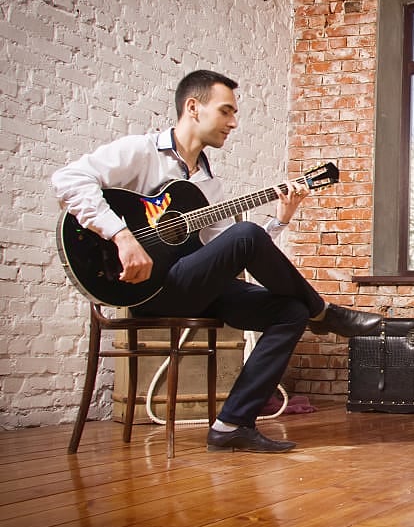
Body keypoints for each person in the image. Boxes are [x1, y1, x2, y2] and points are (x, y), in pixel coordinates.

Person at [52, 70, 383, 453]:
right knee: (247, 236)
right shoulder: (141, 151)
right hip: (146, 289)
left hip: (192, 285)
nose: (233, 122)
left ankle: (232, 424)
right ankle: (324, 312)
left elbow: (233, 250)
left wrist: (281, 219)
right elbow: (68, 179)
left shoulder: (208, 182)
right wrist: (122, 236)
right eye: (226, 111)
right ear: (193, 107)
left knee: (289, 311)